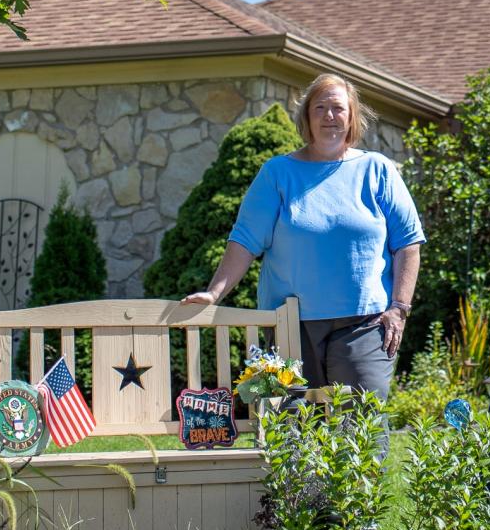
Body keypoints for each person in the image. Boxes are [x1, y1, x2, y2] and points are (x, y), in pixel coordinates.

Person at [182, 73, 424, 404]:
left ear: (351, 116)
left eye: (338, 108)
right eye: (319, 107)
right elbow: (245, 240)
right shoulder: (277, 173)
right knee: (291, 432)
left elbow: (408, 243)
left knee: (359, 430)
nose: (329, 116)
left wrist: (399, 308)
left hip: (365, 325)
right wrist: (214, 293)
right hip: (290, 325)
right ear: (306, 117)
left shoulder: (376, 170)